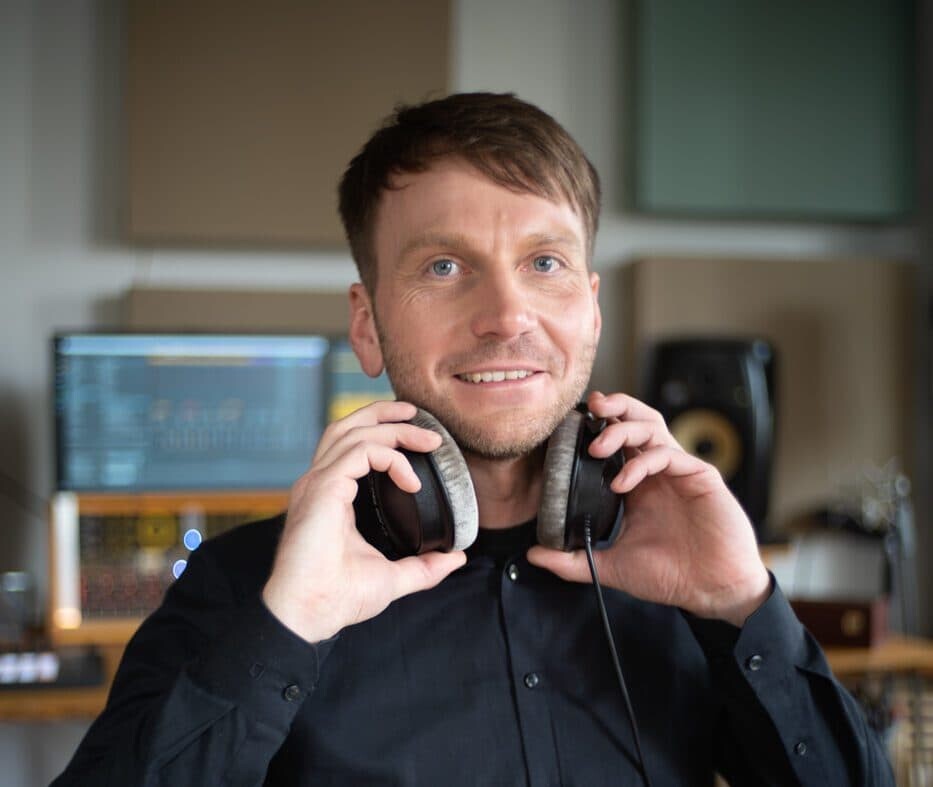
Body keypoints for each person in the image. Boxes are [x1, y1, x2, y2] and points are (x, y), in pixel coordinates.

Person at [53, 92, 893, 786]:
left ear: (591, 309)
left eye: (544, 263)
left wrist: (743, 606)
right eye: (443, 267)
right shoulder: (244, 593)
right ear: (368, 323)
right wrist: (284, 631)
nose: (505, 317)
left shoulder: (689, 585)